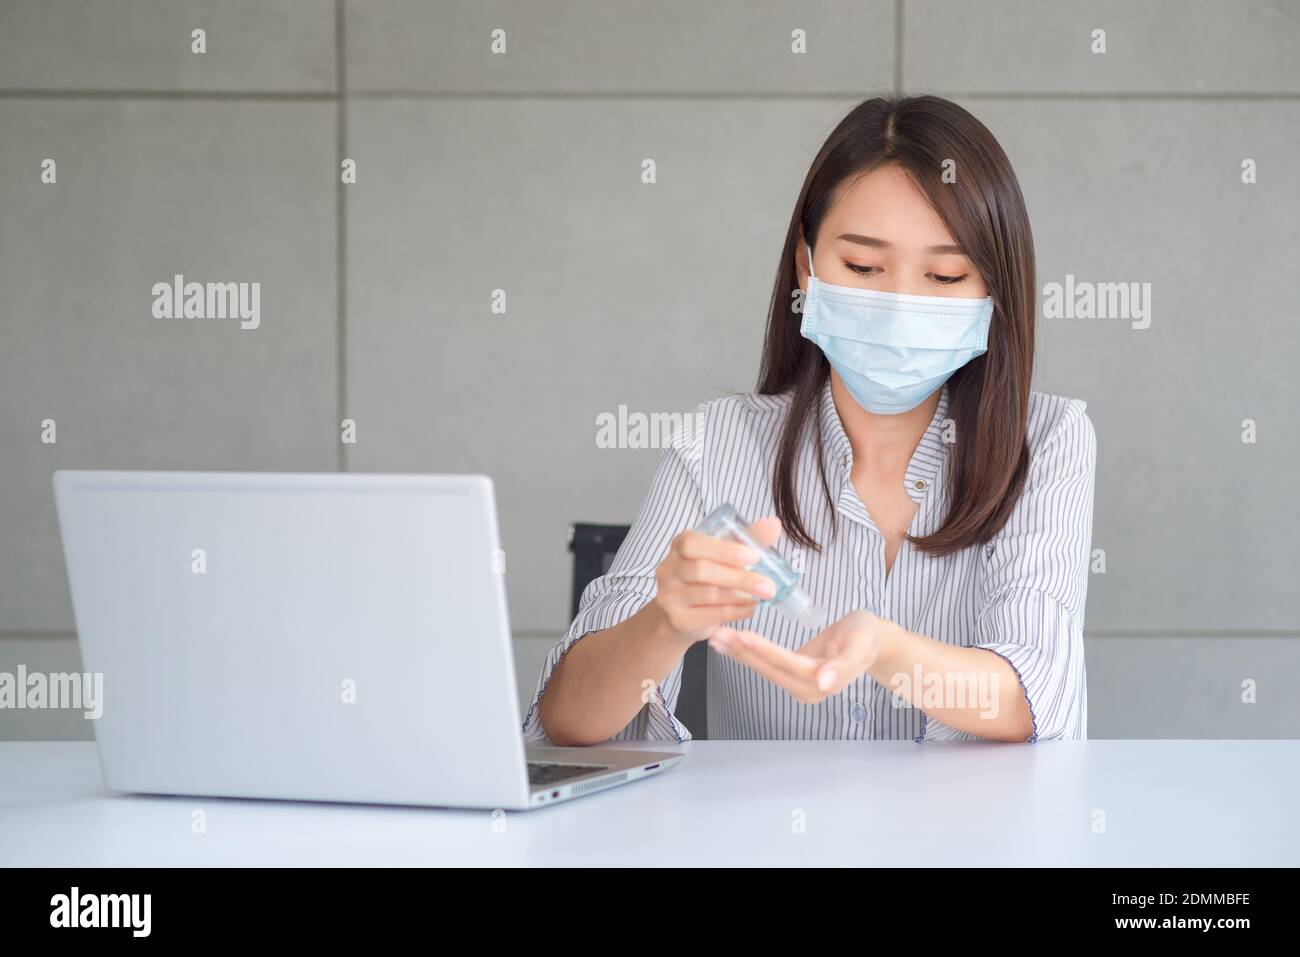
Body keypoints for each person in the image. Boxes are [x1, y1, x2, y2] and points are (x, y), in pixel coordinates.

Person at [526, 95, 1095, 746]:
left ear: (993, 293)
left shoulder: (1048, 440)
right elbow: (567, 723)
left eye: (945, 274)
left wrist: (879, 648)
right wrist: (664, 622)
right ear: (807, 267)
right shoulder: (718, 443)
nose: (897, 306)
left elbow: (1031, 694)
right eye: (861, 266)